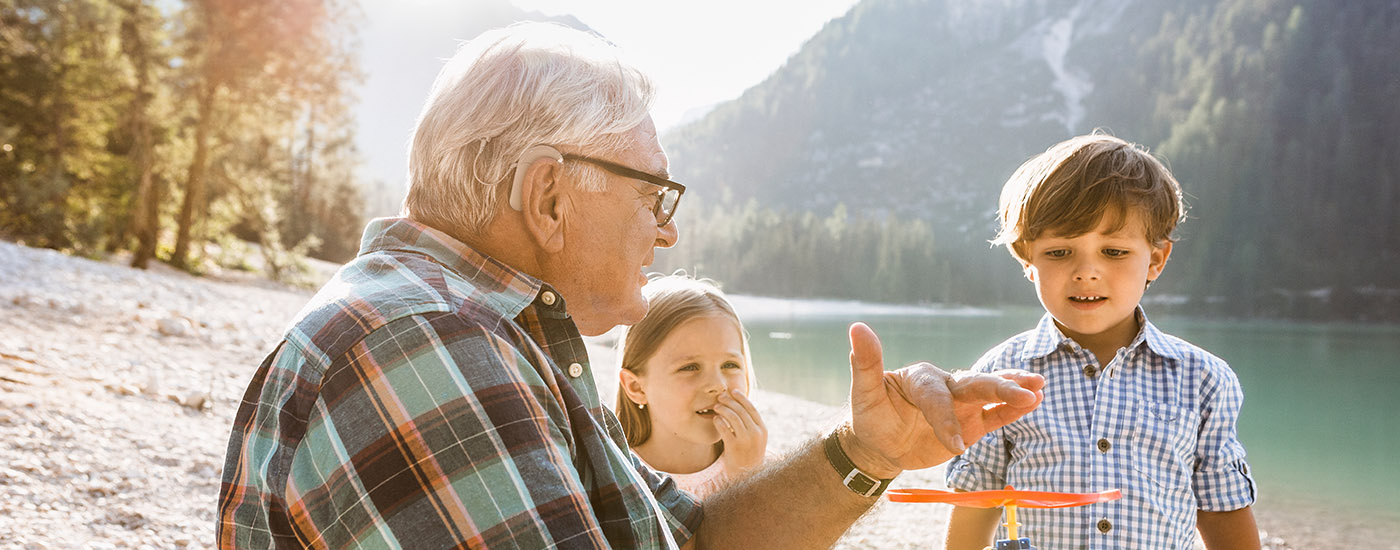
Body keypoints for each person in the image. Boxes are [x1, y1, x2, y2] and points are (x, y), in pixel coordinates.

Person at [217, 21, 1045, 549]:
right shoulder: (425, 341)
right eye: (653, 194)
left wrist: (870, 453)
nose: (668, 229)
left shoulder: (486, 335)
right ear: (549, 196)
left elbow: (693, 537)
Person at [943, 133, 1259, 550]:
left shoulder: (1202, 378)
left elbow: (1223, 505)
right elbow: (976, 501)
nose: (1086, 272)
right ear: (1027, 258)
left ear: (1156, 260)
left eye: (1113, 252)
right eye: (1059, 252)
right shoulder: (1000, 376)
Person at [614, 274, 769, 498]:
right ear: (636, 388)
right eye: (690, 367)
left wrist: (749, 476)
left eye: (730, 364)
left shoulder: (765, 468)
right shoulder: (618, 478)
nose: (717, 385)